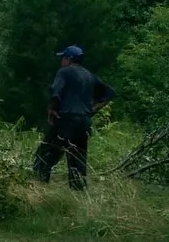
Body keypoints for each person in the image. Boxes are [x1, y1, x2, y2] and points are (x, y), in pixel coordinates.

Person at [33, 45, 116, 190]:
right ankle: (78, 195)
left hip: (66, 120)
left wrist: (51, 110)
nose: (61, 62)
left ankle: (38, 191)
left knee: (44, 155)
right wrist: (92, 110)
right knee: (77, 160)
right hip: (84, 122)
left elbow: (55, 93)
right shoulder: (90, 76)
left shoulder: (64, 72)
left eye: (63, 58)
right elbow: (109, 93)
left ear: (69, 59)